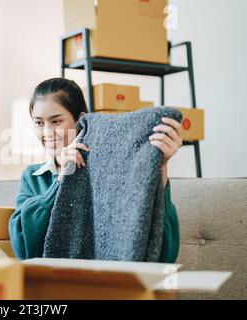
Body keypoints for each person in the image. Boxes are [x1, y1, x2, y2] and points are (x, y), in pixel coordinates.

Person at [9, 78, 181, 262]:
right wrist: (61, 179)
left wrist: (160, 165)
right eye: (39, 123)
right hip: (52, 283)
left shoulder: (110, 173)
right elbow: (23, 247)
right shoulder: (33, 176)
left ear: (80, 120)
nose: (47, 132)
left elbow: (165, 254)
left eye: (56, 121)